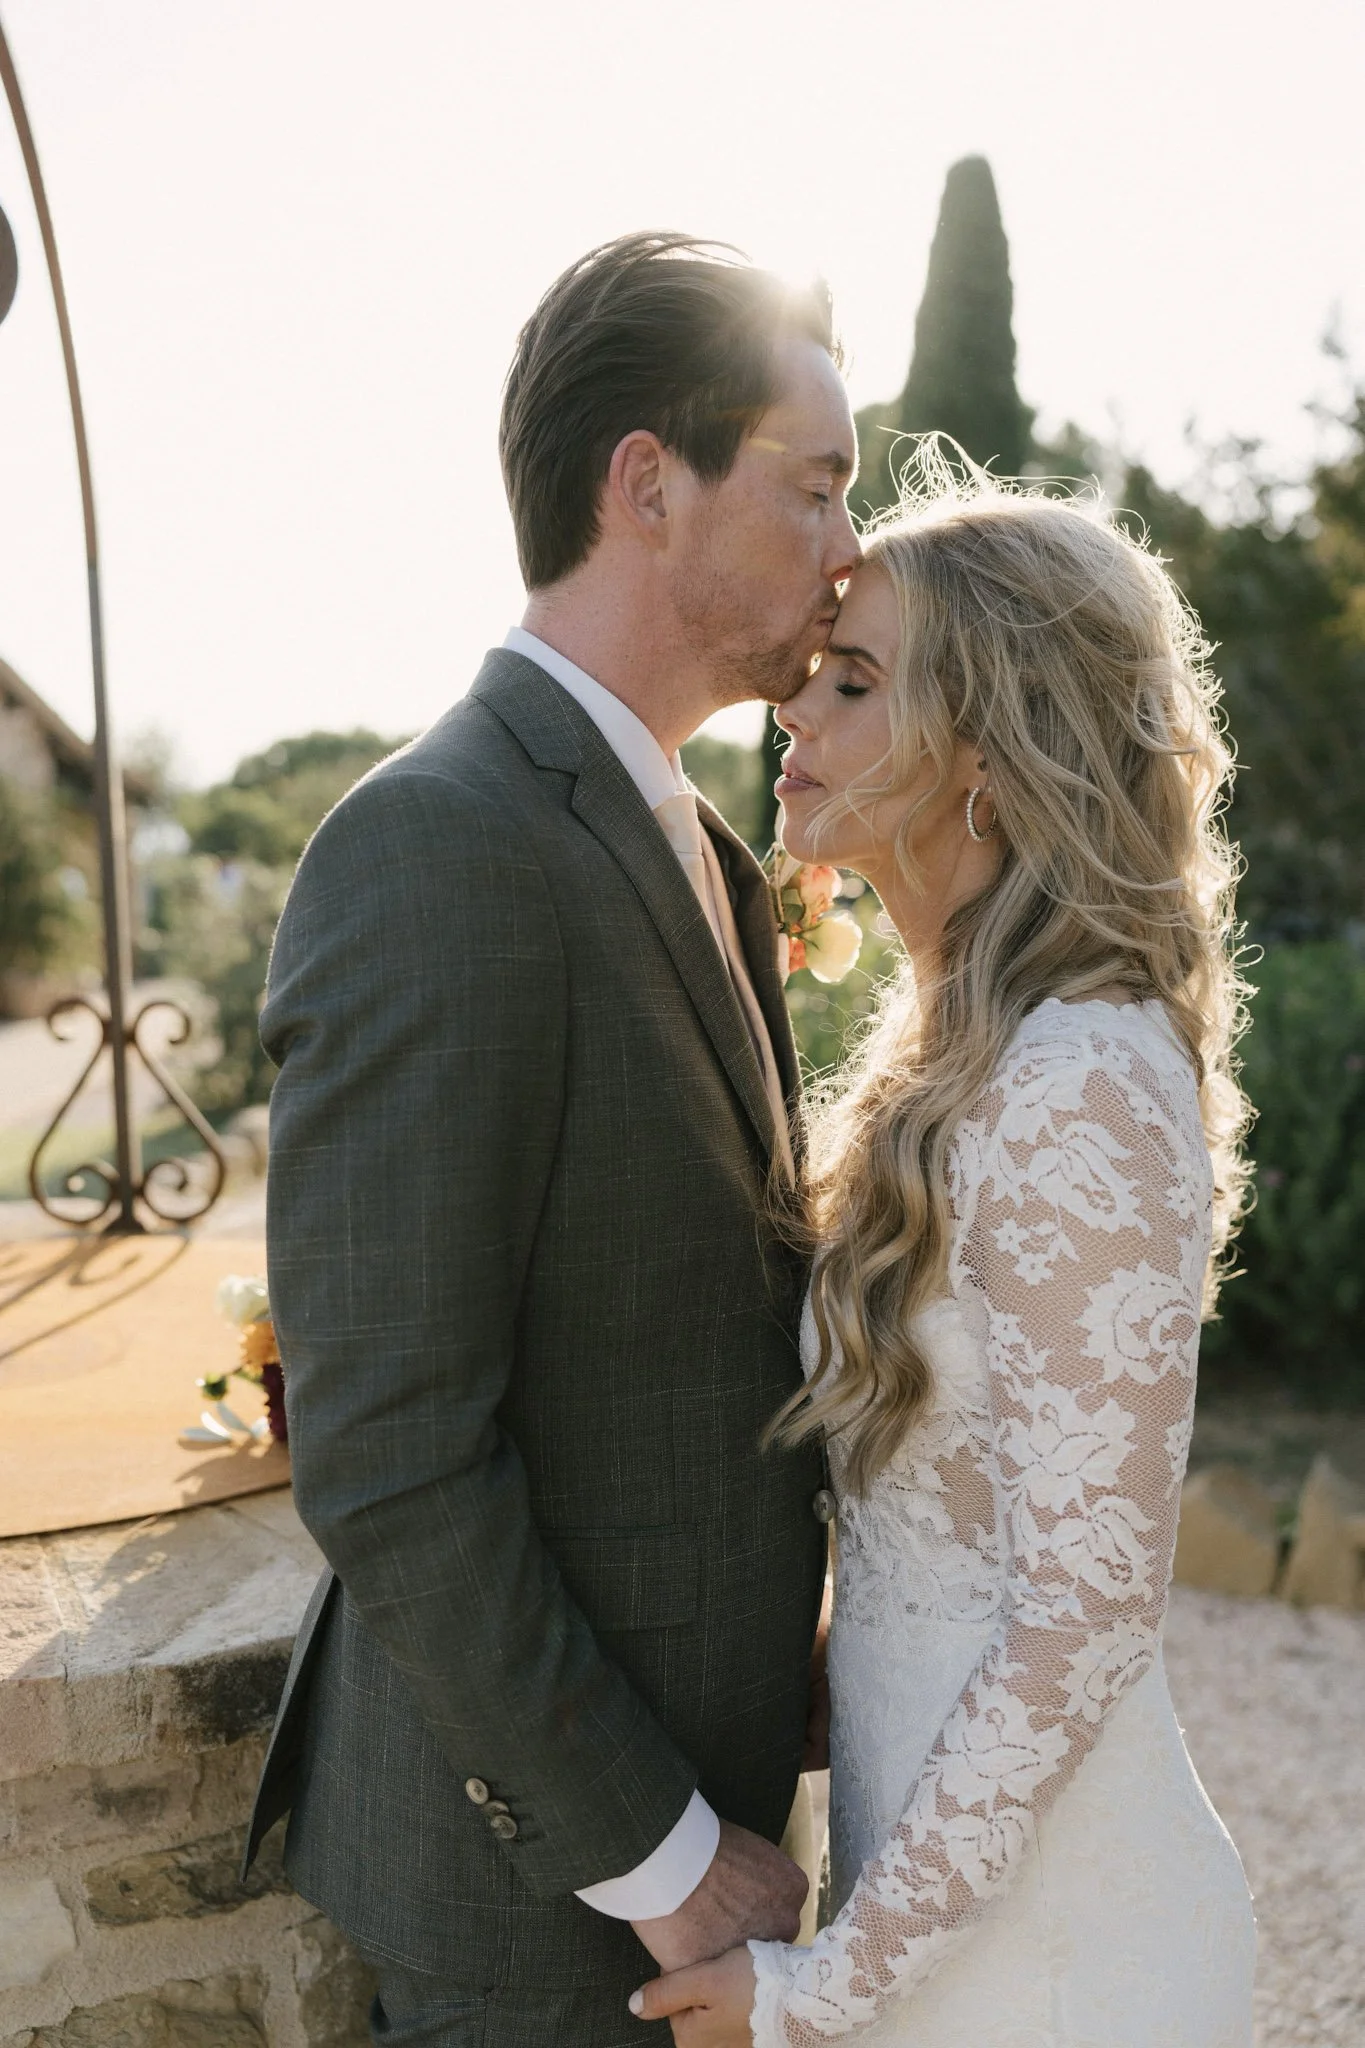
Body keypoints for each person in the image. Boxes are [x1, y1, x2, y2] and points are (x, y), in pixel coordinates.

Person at [241, 232, 861, 2046]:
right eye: (816, 487)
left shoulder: (703, 853)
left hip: (716, 1807)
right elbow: (387, 1449)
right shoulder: (434, 844)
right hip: (542, 1908)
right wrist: (663, 1855)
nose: (851, 548)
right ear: (647, 486)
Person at [634, 455, 1258, 2046]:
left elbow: (1083, 1617)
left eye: (853, 681)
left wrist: (821, 1991)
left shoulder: (1078, 1081)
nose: (796, 713)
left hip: (1057, 1965)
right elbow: (929, 1544)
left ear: (988, 750)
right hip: (938, 1915)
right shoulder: (956, 1054)